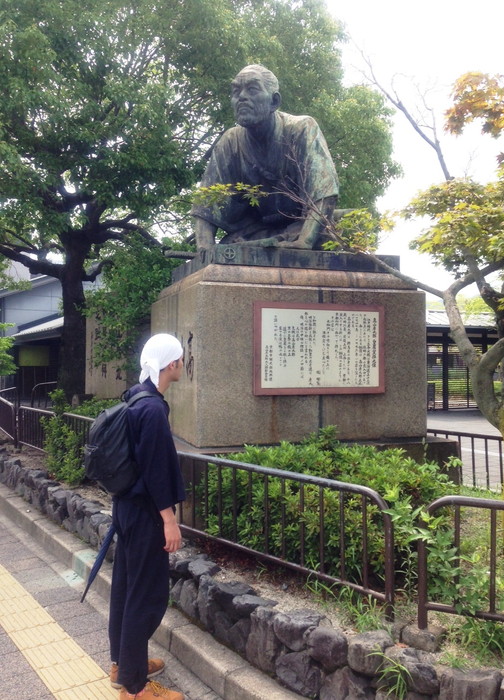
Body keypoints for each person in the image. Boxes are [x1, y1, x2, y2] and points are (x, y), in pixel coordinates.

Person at [108, 333, 186, 700]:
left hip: (125, 508)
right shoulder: (153, 409)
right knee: (147, 596)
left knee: (126, 588)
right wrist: (169, 520)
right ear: (171, 364)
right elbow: (156, 471)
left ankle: (123, 666)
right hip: (145, 515)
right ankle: (135, 688)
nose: (183, 365)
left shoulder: (135, 396)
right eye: (181, 359)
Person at [192, 64, 339, 251]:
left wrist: (305, 241)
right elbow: (207, 205)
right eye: (236, 91)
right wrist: (205, 249)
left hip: (305, 225)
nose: (242, 97)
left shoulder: (301, 129)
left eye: (252, 89)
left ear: (274, 101)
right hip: (258, 231)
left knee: (332, 232)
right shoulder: (230, 142)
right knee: (232, 244)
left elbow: (324, 191)